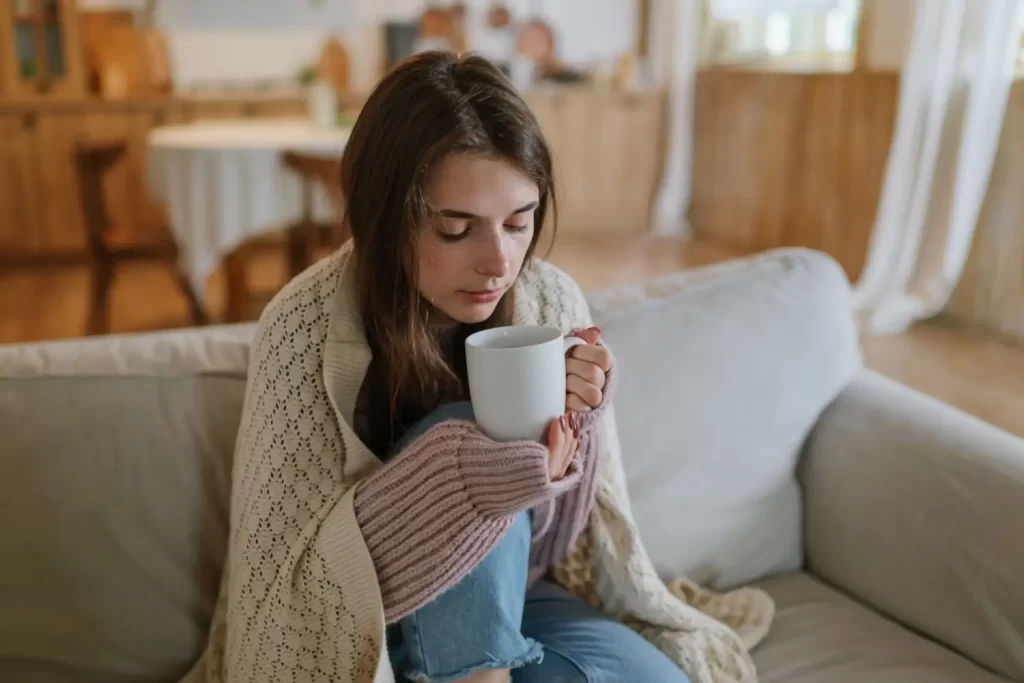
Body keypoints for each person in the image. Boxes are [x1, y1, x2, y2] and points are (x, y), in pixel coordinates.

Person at [185, 51, 753, 683]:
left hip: (520, 603)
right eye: (455, 229)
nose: (497, 261)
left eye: (518, 222)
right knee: (467, 434)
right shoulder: (302, 329)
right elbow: (289, 595)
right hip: (368, 631)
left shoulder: (551, 300)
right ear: (384, 218)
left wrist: (575, 431)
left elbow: (558, 552)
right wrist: (460, 483)